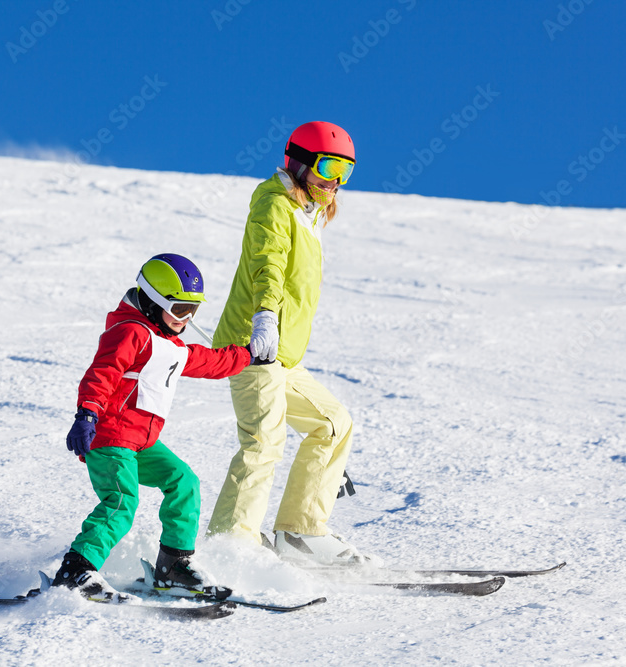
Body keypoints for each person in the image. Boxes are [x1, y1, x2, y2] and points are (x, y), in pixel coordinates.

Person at [206, 121, 380, 566]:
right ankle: (232, 543)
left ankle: (300, 533)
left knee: (333, 424)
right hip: (253, 345)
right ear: (299, 163)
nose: (335, 180)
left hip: (282, 356)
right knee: (264, 439)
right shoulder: (274, 204)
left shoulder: (308, 214)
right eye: (328, 166)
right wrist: (264, 317)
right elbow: (269, 263)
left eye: (346, 171)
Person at [52, 253, 253, 601]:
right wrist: (86, 413)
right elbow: (102, 373)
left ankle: (173, 566)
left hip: (141, 444)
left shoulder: (169, 344)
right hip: (110, 438)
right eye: (178, 310)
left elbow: (210, 361)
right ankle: (76, 570)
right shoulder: (131, 333)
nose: (185, 320)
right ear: (152, 300)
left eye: (192, 312)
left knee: (184, 481)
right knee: (121, 502)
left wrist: (250, 354)